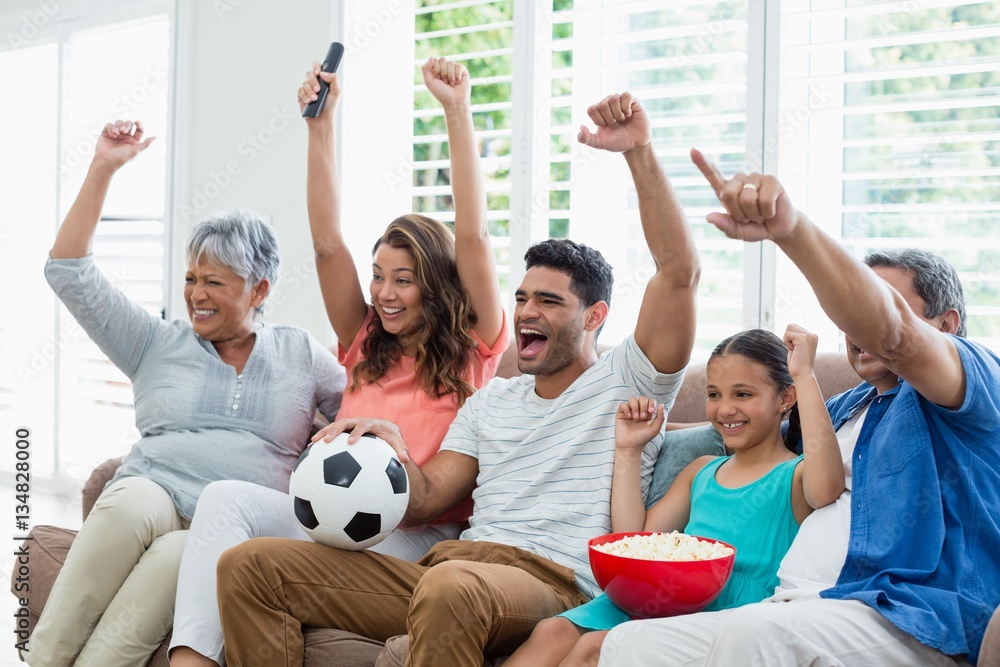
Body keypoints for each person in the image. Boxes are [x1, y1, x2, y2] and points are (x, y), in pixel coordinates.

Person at [212, 90, 699, 666]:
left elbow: (679, 273)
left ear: (595, 316)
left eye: (548, 301)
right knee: (250, 567)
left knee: (452, 587)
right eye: (521, 298)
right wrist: (390, 447)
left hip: (553, 584)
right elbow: (426, 502)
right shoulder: (492, 401)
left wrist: (639, 153)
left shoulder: (628, 381)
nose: (525, 313)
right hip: (450, 571)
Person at [167, 56, 507, 667]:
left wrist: (457, 112)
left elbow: (475, 238)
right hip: (329, 510)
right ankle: (192, 660)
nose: (384, 293)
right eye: (379, 277)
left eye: (404, 280)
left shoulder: (473, 347)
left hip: (416, 531)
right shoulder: (364, 342)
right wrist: (318, 128)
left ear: (437, 285)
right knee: (223, 499)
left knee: (269, 567)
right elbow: (327, 244)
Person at [597, 153, 1000, 665]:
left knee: (756, 636)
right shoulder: (847, 407)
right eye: (848, 312)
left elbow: (893, 331)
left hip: (907, 612)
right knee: (632, 643)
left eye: (867, 304)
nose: (856, 329)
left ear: (944, 324)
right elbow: (749, 425)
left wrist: (790, 231)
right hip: (801, 601)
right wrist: (654, 433)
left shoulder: (973, 382)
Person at [25, 120, 347, 667]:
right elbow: (68, 273)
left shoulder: (303, 354)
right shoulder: (155, 340)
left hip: (219, 528)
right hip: (150, 491)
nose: (196, 294)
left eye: (214, 282)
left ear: (260, 289)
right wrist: (104, 166)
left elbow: (362, 412)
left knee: (138, 617)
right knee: (128, 508)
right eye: (191, 277)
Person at [506, 325, 845, 667]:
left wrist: (804, 375)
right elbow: (633, 538)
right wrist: (628, 450)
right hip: (661, 595)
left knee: (595, 648)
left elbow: (826, 487)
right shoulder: (702, 470)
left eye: (742, 394)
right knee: (553, 631)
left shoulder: (796, 475)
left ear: (785, 398)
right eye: (714, 394)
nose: (725, 409)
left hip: (730, 608)